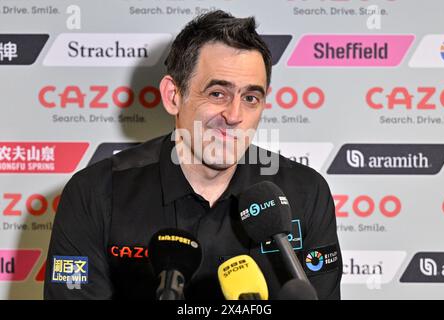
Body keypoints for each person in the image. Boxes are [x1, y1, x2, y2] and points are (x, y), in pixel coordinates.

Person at [44, 10, 342, 300]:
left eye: (250, 98)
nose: (234, 115)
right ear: (174, 96)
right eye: (217, 94)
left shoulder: (305, 193)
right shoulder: (96, 193)